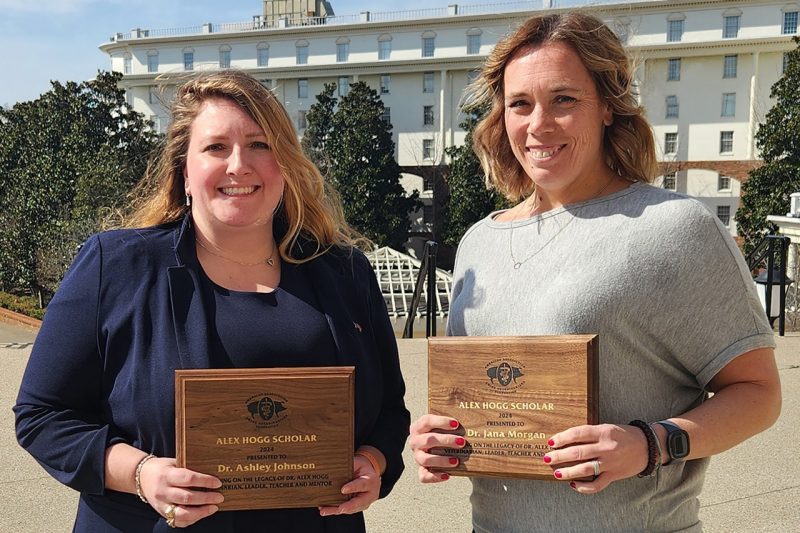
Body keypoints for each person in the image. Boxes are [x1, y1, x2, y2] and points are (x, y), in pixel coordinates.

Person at [409, 12, 781, 532]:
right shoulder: (479, 242)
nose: (539, 124)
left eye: (564, 99)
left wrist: (650, 443)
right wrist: (443, 438)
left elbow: (759, 393)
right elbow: (486, 396)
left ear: (608, 106)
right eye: (520, 103)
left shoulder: (672, 227)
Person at [14, 70, 410, 532]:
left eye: (260, 145)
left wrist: (371, 462)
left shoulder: (344, 273)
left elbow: (389, 412)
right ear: (185, 170)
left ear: (285, 165)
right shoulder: (116, 266)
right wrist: (142, 474)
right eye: (216, 147)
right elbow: (42, 417)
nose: (238, 165)